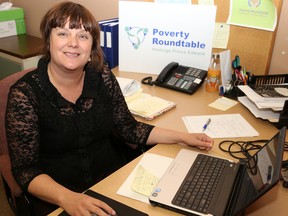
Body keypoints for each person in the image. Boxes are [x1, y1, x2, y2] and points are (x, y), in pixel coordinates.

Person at [6, 1, 214, 216]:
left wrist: (183, 137)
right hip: (60, 195)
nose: (73, 43)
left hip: (114, 181)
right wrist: (67, 198)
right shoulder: (25, 95)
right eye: (63, 33)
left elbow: (129, 128)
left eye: (83, 36)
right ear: (48, 41)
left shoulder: (102, 76)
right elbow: (25, 170)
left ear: (92, 46)